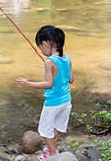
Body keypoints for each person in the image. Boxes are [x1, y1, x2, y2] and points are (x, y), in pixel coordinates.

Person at [16, 25, 74, 160]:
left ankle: (54, 153)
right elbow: (71, 79)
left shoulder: (49, 62)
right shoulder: (67, 58)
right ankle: (51, 150)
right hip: (66, 101)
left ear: (46, 43)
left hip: (53, 103)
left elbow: (49, 84)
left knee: (45, 130)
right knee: (57, 127)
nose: (41, 50)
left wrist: (28, 83)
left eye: (40, 47)